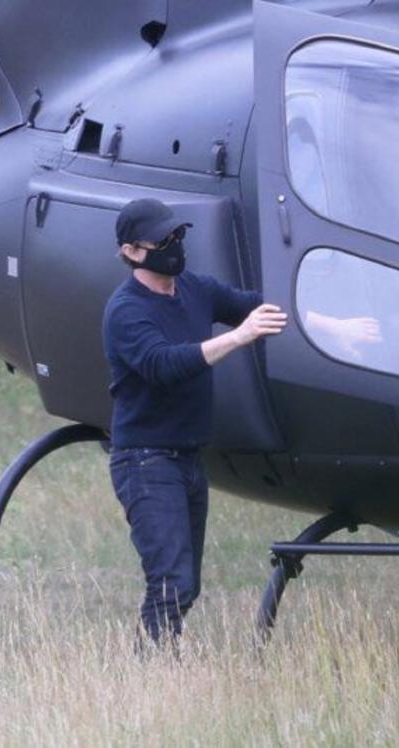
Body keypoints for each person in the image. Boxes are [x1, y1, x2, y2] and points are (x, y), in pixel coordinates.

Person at [101, 198, 287, 652]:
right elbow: (162, 364)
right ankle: (153, 671)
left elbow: (260, 309)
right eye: (162, 241)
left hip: (187, 458)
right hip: (145, 461)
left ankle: (159, 662)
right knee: (172, 582)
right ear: (131, 252)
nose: (174, 246)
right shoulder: (126, 311)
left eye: (177, 236)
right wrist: (238, 337)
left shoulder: (195, 289)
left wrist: (330, 325)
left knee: (186, 585)